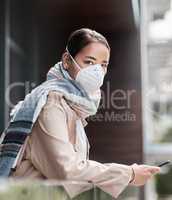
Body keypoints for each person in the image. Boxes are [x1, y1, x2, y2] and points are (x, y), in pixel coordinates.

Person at [5, 28, 160, 198]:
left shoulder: (71, 105)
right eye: (89, 62)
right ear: (66, 60)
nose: (97, 71)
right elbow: (67, 171)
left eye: (103, 65)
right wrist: (128, 174)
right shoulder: (50, 105)